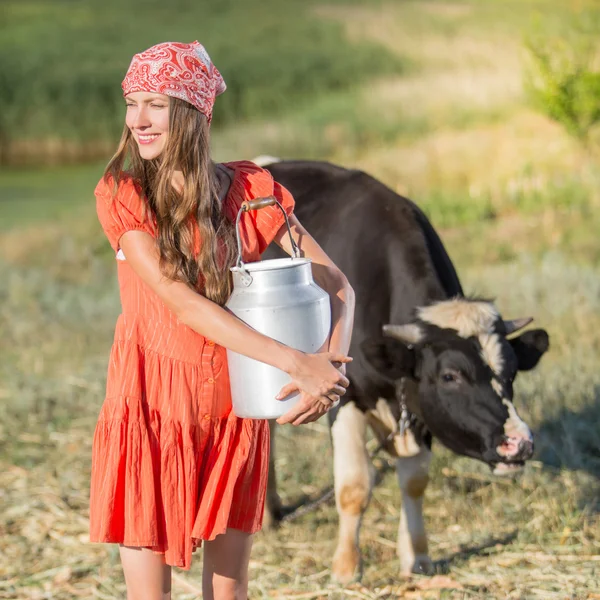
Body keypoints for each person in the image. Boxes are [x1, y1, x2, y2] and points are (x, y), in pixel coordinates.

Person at [89, 41, 355, 600]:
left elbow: (338, 287)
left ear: (192, 110)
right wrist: (296, 362)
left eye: (156, 104)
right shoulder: (124, 191)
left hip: (233, 404)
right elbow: (178, 299)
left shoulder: (250, 190)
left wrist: (328, 368)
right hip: (154, 405)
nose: (138, 119)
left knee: (229, 593)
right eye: (132, 102)